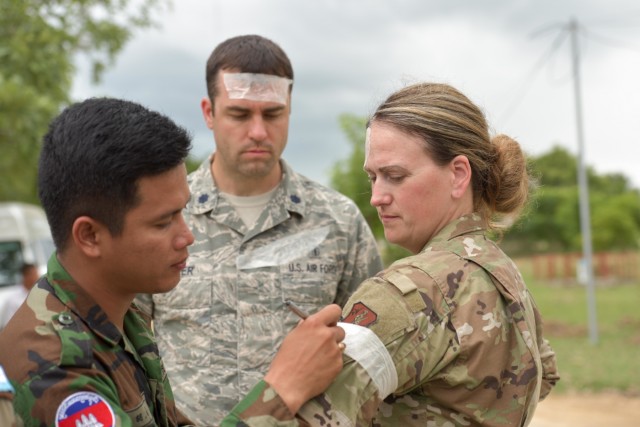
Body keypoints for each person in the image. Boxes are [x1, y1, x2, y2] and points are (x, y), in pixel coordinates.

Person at [0, 97, 347, 427]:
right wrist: (282, 389)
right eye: (163, 222)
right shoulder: (55, 366)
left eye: (182, 212)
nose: (187, 237)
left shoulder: (121, 316)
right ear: (90, 236)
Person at [136, 34, 383, 425]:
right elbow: (127, 347)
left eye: (272, 114)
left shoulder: (339, 222)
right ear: (209, 113)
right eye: (239, 114)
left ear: (289, 110)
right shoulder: (164, 218)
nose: (257, 131)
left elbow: (369, 352)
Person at [294, 82, 560, 426]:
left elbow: (312, 416)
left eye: (395, 176)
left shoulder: (410, 291)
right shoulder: (501, 271)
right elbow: (544, 374)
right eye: (374, 177)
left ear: (458, 175)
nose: (377, 196)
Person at [0, 263, 39, 329]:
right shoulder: (13, 299)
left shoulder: (40, 295)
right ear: (26, 276)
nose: (37, 276)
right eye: (34, 274)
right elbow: (9, 325)